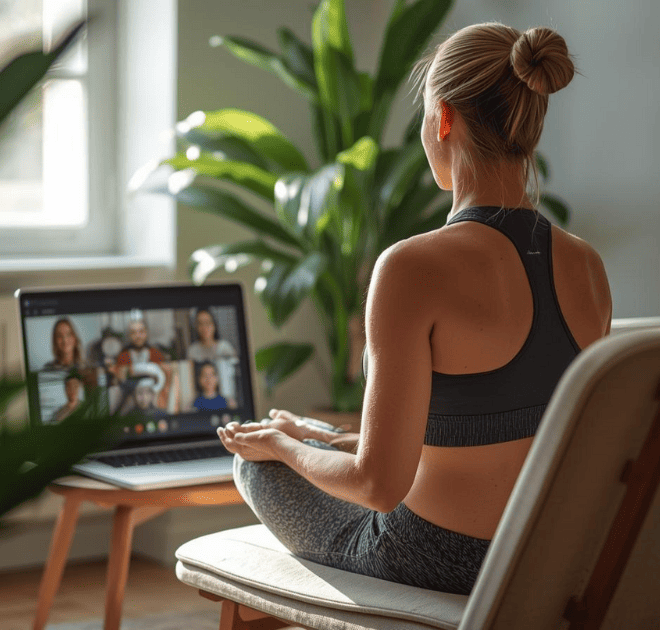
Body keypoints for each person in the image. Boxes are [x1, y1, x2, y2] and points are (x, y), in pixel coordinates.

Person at [217, 22, 613, 595]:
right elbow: (489, 433)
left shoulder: (410, 267)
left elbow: (379, 487)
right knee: (315, 441)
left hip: (435, 556)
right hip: (542, 547)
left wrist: (281, 446)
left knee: (254, 464)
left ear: (443, 118)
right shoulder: (586, 266)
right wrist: (322, 438)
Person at [187, 308, 239, 400]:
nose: (204, 328)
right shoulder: (192, 351)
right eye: (200, 324)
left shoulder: (225, 347)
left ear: (214, 325)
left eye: (207, 323)